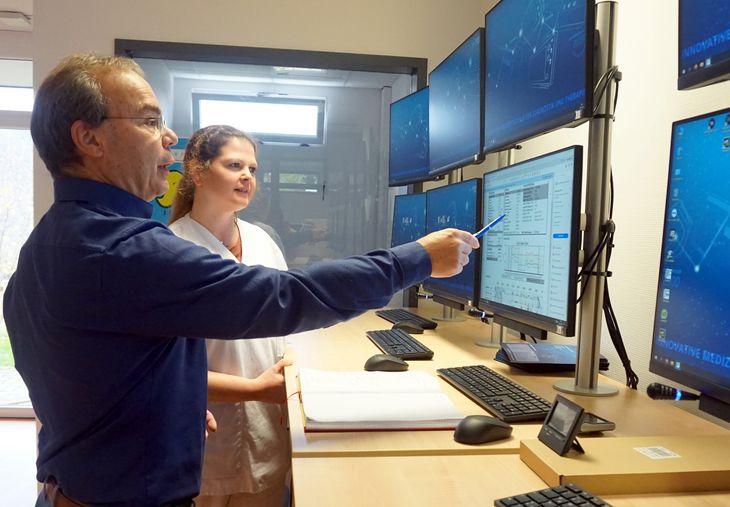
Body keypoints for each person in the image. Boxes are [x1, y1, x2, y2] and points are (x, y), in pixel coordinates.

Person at [2, 53, 479, 507]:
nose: (168, 135)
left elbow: (93, 368)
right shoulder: (120, 250)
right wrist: (414, 260)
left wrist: (171, 401)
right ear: (89, 139)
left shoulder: (52, 240)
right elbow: (283, 297)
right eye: (148, 121)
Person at [168, 125, 293, 507]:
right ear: (197, 170)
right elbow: (163, 368)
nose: (247, 177)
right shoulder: (172, 249)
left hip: (266, 432)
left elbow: (284, 327)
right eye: (235, 165)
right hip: (204, 436)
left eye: (253, 170)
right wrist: (259, 389)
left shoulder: (263, 241)